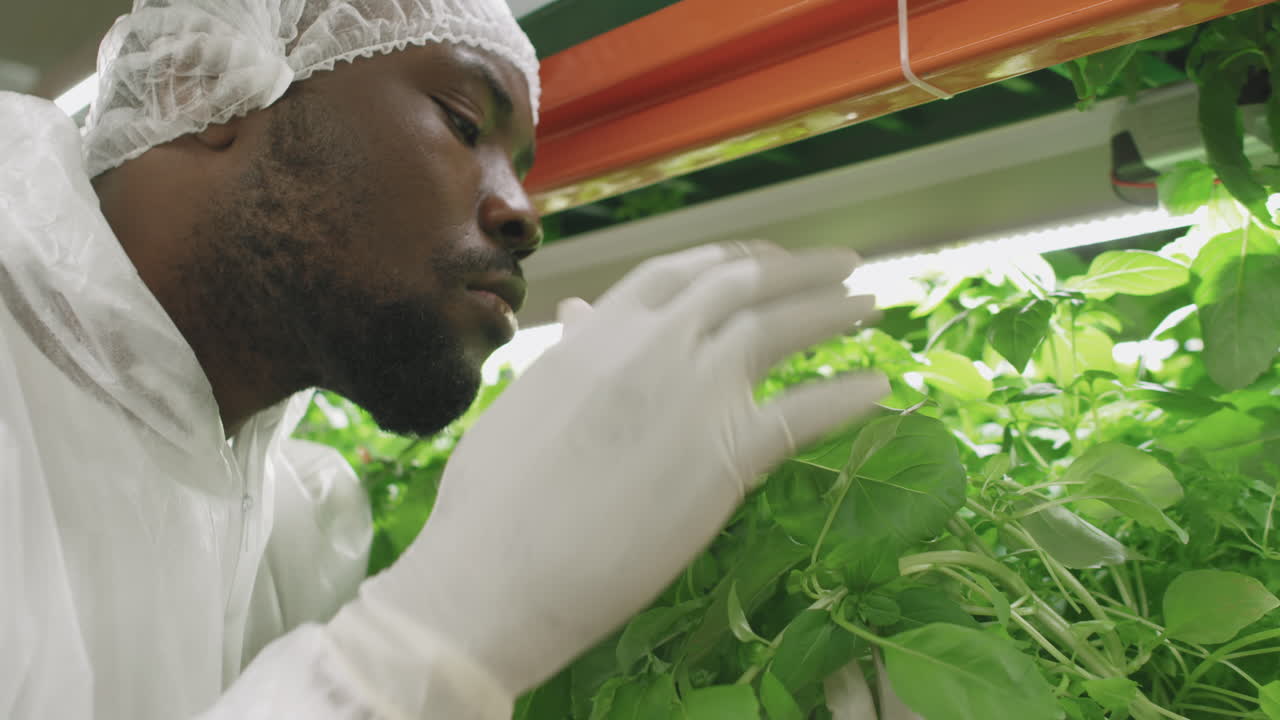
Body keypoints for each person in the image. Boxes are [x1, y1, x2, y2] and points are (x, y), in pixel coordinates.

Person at [0, 0, 888, 717]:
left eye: (526, 166)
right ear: (209, 87)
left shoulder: (294, 521)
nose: (525, 214)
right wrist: (422, 647)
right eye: (466, 123)